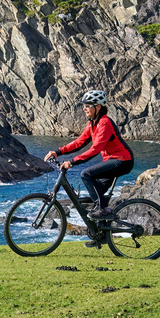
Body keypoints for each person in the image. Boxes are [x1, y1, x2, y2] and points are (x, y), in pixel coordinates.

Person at [43, 90, 134, 244]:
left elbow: (95, 149)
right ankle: (101, 235)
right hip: (111, 161)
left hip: (122, 160)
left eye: (87, 106)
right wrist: (58, 152)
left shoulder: (104, 122)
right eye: (83, 106)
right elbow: (79, 142)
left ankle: (102, 210)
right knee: (98, 199)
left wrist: (72, 162)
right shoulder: (92, 123)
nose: (84, 108)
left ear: (98, 107)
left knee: (86, 174)